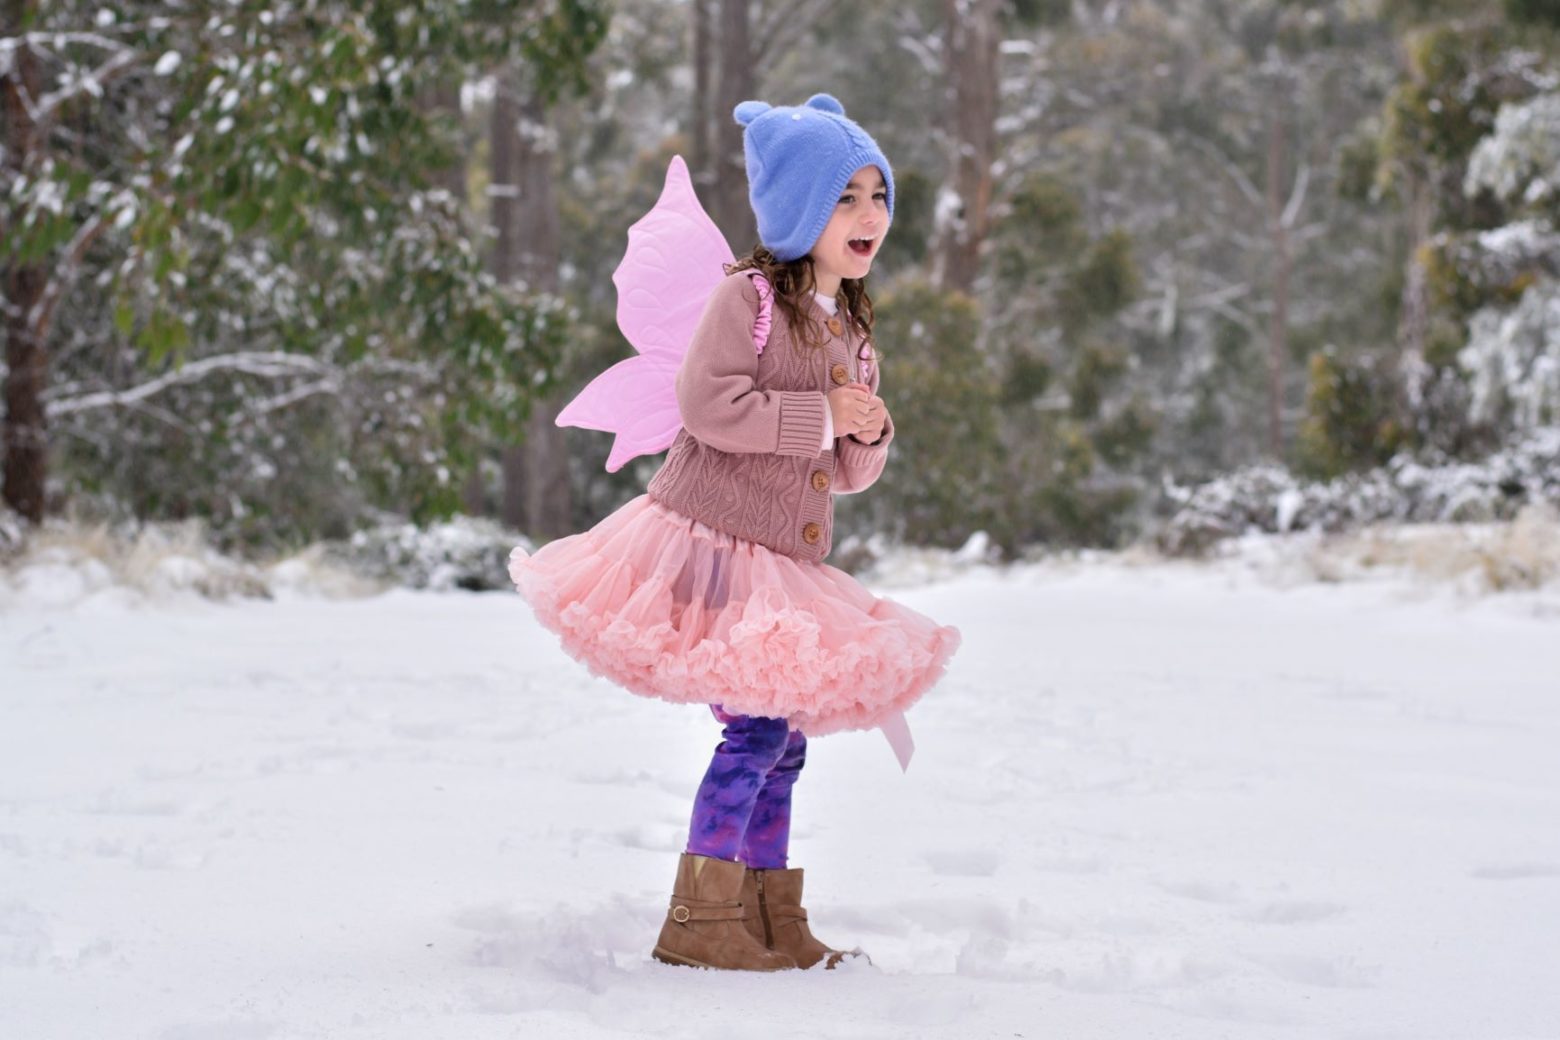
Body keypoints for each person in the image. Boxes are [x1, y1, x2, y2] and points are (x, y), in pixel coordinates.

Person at [508, 93, 960, 971]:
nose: (870, 215)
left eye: (879, 195)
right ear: (798, 211)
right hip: (709, 544)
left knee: (783, 741)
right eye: (845, 197)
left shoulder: (853, 322)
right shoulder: (747, 298)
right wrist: (822, 414)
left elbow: (844, 471)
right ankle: (700, 918)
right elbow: (708, 405)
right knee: (755, 732)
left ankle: (767, 911)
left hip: (784, 562)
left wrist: (867, 433)